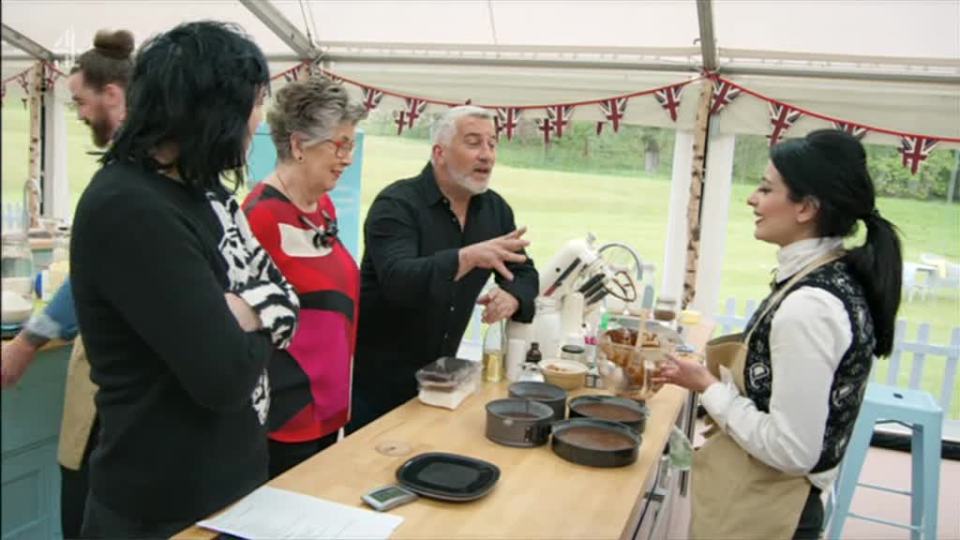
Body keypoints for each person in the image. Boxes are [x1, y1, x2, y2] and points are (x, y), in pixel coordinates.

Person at [70, 21, 298, 538]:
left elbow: (286, 292)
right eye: (252, 103)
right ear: (211, 109)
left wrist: (246, 306)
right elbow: (222, 377)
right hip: (160, 511)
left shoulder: (206, 193)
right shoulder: (130, 207)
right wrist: (264, 306)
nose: (256, 119)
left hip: (229, 493)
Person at [655, 129, 903, 539]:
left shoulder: (809, 308)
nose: (753, 198)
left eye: (767, 188)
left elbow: (792, 449)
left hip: (774, 510)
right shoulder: (832, 276)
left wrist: (708, 387)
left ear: (805, 207)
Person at [0, 28, 132, 539]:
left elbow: (88, 280)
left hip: (113, 395)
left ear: (113, 95)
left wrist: (26, 343)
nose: (77, 114)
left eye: (80, 101)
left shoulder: (124, 186)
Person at [348, 105, 539, 432]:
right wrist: (466, 258)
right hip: (379, 385)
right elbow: (399, 279)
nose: (487, 155)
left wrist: (513, 297)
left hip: (445, 381)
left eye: (492, 144)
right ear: (439, 152)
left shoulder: (495, 210)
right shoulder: (396, 205)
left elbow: (524, 273)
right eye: (474, 142)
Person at [242, 76, 367, 478]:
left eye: (351, 144)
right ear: (298, 145)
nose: (347, 158)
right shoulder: (259, 216)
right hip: (284, 417)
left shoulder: (323, 206)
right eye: (339, 145)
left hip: (329, 408)